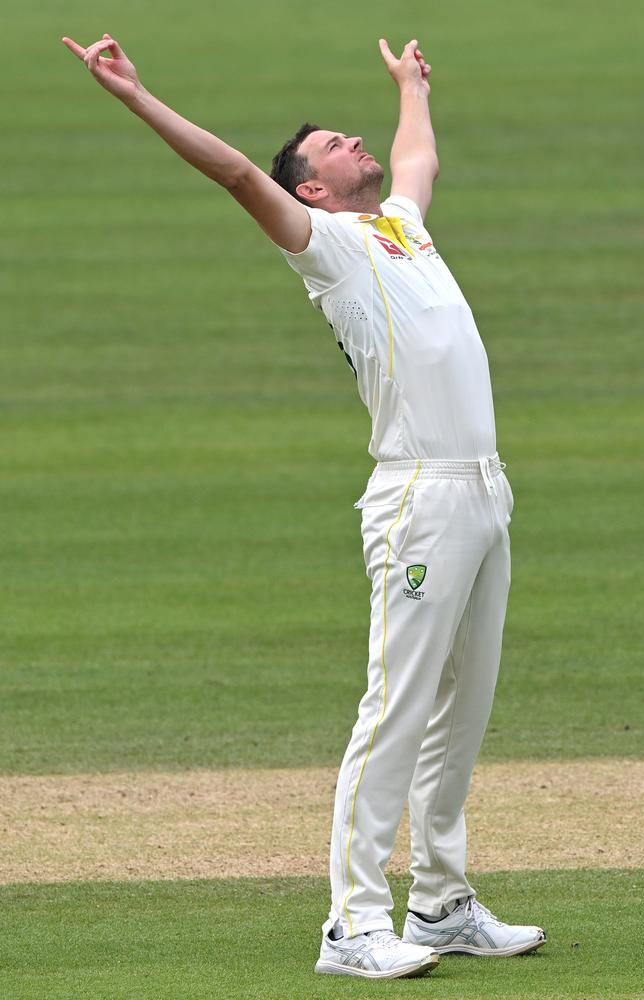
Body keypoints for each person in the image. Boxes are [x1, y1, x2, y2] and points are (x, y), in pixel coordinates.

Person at [62, 32, 547, 980]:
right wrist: (136, 96)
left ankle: (442, 903)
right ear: (311, 191)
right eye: (330, 145)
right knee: (396, 711)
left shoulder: (402, 226)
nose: (352, 143)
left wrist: (411, 87)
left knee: (465, 709)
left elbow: (417, 157)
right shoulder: (326, 245)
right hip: (418, 498)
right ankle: (353, 925)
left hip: (485, 488)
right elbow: (239, 171)